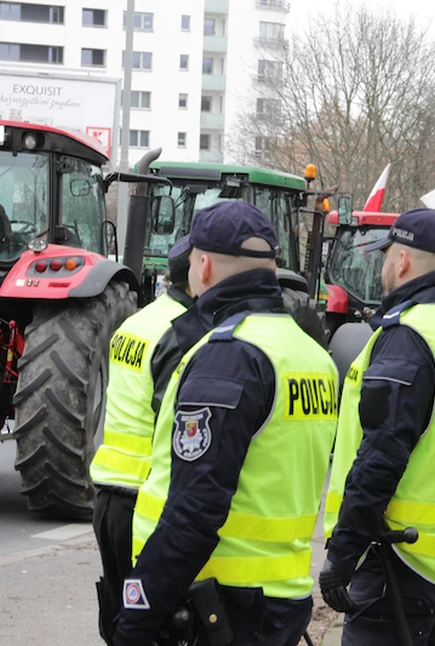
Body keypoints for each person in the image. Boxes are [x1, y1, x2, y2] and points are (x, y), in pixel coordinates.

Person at [112, 202, 339, 646]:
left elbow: (195, 509)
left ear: (204, 264)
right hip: (280, 596)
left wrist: (137, 617)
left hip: (222, 603)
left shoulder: (230, 354)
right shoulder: (311, 354)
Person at [320, 208, 435, 646]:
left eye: (386, 257)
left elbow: (382, 454)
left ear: (401, 261)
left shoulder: (409, 336)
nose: (383, 268)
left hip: (399, 558)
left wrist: (343, 553)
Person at [90, 237, 195, 643]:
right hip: (148, 504)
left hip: (111, 497)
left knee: (122, 620)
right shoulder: (183, 335)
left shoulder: (137, 322)